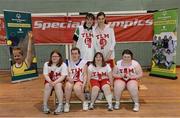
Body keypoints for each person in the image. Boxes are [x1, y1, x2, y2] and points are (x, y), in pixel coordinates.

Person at [64, 47, 88, 112]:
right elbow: (65, 74)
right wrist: (68, 78)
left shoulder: (83, 62)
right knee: (68, 86)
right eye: (72, 54)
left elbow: (85, 75)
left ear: (79, 55)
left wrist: (84, 84)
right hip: (70, 79)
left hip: (79, 80)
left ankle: (84, 102)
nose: (74, 55)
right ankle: (67, 103)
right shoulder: (68, 62)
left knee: (77, 88)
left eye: (75, 53)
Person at [42, 50, 68, 114]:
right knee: (47, 85)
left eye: (56, 56)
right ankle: (44, 105)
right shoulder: (46, 64)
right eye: (53, 56)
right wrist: (50, 81)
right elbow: (45, 75)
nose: (54, 58)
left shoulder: (63, 65)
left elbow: (63, 76)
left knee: (58, 85)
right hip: (49, 81)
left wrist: (55, 82)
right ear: (51, 57)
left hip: (59, 81)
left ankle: (60, 105)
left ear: (59, 57)